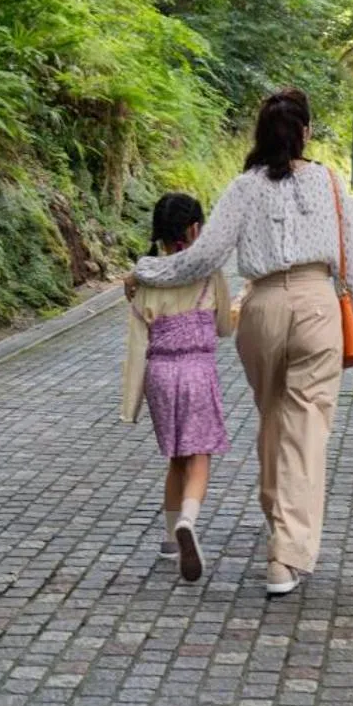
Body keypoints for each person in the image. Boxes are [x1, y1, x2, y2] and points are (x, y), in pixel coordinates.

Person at [128, 89, 353, 598]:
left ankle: (277, 518)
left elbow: (203, 257)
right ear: (305, 132)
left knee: (275, 418)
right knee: (306, 429)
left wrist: (145, 269)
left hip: (261, 309)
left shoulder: (243, 187)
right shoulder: (329, 181)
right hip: (318, 302)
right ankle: (285, 555)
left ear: (260, 134)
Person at [120, 192, 233, 584]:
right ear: (196, 228)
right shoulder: (208, 273)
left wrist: (130, 403)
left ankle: (170, 540)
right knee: (199, 455)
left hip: (160, 377)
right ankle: (188, 519)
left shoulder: (143, 281)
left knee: (175, 457)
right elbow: (223, 328)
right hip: (197, 372)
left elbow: (137, 343)